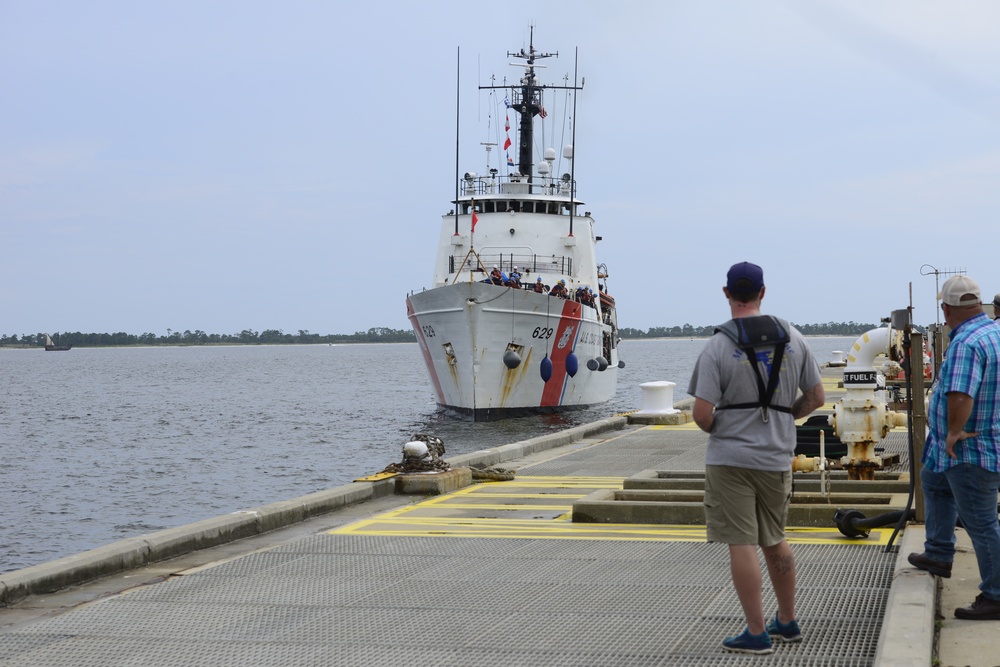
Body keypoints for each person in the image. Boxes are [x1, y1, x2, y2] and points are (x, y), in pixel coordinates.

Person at [688, 261, 825, 655]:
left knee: (741, 542)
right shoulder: (794, 339)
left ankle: (756, 631)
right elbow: (817, 398)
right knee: (775, 539)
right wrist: (784, 419)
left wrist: (725, 429)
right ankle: (787, 620)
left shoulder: (718, 345)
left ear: (727, 293)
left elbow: (701, 414)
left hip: (730, 459)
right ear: (763, 292)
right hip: (778, 456)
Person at [908, 275, 1000, 620]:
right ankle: (938, 552)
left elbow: (961, 393)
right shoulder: (993, 332)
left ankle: (996, 595)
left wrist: (952, 432)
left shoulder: (965, 344)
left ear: (946, 310)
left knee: (981, 521)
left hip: (967, 448)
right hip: (979, 440)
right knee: (933, 482)